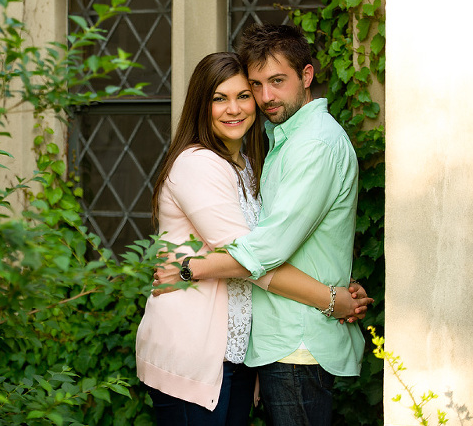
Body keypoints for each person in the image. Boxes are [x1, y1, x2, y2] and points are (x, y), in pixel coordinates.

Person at [136, 51, 370, 426]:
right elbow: (253, 261)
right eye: (219, 98)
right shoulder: (199, 164)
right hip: (195, 352)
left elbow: (275, 247)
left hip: (235, 355)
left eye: (244, 95)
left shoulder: (244, 165)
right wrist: (330, 298)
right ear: (202, 104)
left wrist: (339, 284)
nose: (235, 109)